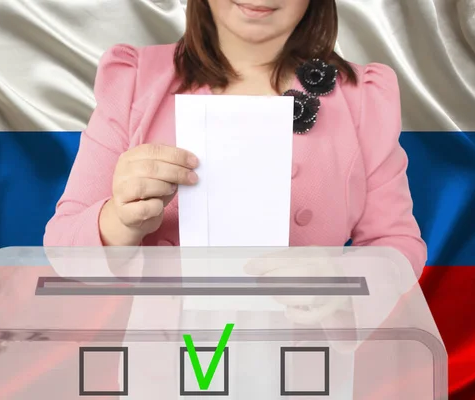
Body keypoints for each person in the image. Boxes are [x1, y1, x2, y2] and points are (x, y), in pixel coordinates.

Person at [43, 0, 427, 278]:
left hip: (305, 361)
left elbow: (396, 244)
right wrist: (120, 219)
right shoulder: (135, 81)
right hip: (164, 361)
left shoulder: (362, 98)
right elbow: (61, 249)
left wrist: (340, 286)